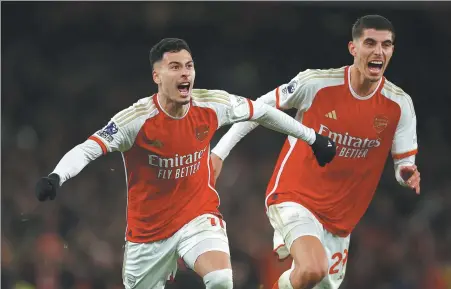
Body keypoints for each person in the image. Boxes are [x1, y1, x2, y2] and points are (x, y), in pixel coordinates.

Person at [35, 38, 336, 289]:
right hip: (147, 233)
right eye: (175, 67)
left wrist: (312, 138)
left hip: (197, 214)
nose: (185, 74)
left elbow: (260, 111)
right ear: (157, 76)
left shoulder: (211, 104)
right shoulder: (135, 120)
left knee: (221, 280)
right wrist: (56, 176)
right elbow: (89, 149)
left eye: (189, 66)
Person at [211, 15, 421, 289]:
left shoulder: (399, 105)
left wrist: (406, 173)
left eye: (386, 45)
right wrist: (219, 153)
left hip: (340, 221)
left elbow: (403, 162)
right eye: (370, 43)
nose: (378, 51)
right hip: (295, 196)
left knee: (313, 280)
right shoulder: (316, 84)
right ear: (353, 48)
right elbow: (258, 110)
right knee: (313, 268)